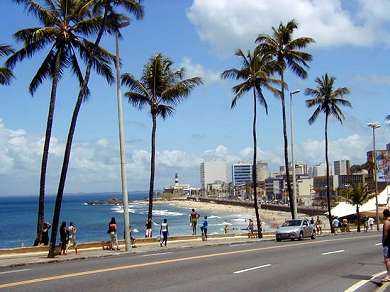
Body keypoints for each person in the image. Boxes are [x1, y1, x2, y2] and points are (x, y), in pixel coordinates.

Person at [382, 209, 390, 282]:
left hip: (388, 243)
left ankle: (388, 275)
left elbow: (385, 234)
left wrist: (383, 242)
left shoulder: (386, 222)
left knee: (387, 259)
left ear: (384, 215)